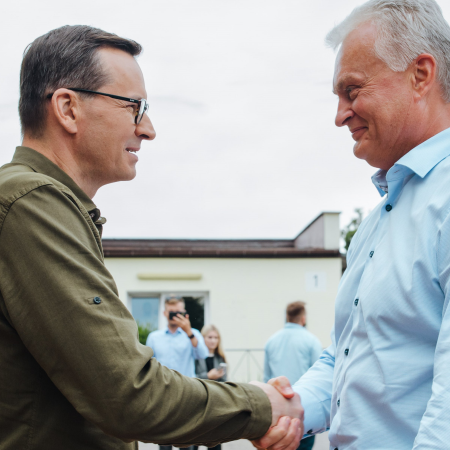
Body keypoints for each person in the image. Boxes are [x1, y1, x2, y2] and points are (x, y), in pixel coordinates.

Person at [0, 25, 303, 450]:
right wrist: (262, 406)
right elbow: (127, 394)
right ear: (67, 108)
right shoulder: (32, 204)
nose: (148, 129)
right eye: (134, 106)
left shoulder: (35, 203)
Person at [254, 1, 450, 449]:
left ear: (420, 75)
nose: (340, 114)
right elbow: (348, 354)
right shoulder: (378, 221)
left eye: (353, 90)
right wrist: (289, 408)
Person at [264, 302, 321, 450]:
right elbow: (319, 377)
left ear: (287, 317)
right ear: (303, 318)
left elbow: (266, 377)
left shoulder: (271, 341)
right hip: (303, 408)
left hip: (277, 409)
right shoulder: (312, 341)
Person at [146, 296, 208, 378]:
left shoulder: (194, 334)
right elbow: (148, 366)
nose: (174, 316)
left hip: (187, 386)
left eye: (178, 312)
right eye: (171, 312)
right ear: (164, 313)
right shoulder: (153, 337)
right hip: (162, 387)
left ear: (184, 313)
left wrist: (189, 333)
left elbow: (202, 355)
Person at [194, 324, 228, 450]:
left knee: (215, 442)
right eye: (210, 337)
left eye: (216, 337)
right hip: (199, 403)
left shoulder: (220, 357)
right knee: (194, 441)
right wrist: (208, 376)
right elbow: (191, 378)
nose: (213, 340)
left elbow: (225, 382)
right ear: (203, 338)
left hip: (215, 404)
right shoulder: (196, 357)